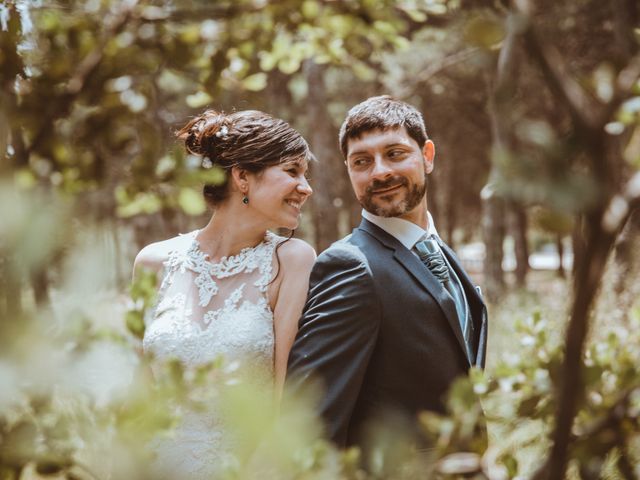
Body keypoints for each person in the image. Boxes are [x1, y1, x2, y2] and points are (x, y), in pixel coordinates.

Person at [286, 96, 488, 455]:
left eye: (394, 153)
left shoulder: (441, 251)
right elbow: (308, 422)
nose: (379, 173)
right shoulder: (349, 265)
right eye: (361, 161)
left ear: (427, 156)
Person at [134, 109, 315, 479]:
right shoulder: (152, 262)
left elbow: (286, 403)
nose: (306, 187)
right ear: (243, 177)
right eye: (292, 171)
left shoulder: (293, 261)